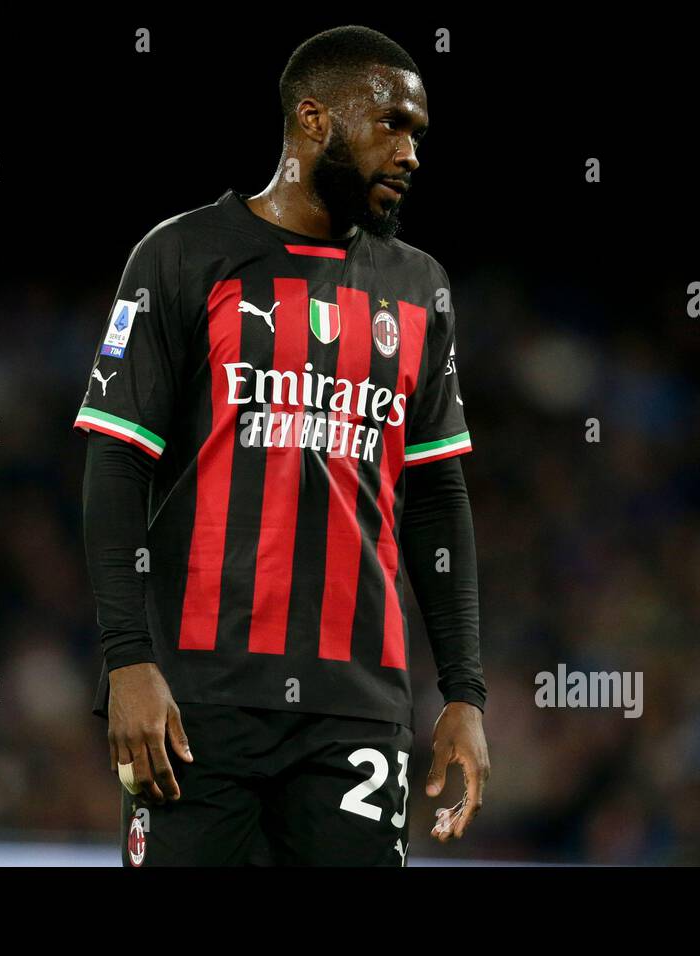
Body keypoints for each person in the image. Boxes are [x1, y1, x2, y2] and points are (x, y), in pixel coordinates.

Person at [75, 25, 488, 866]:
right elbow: (116, 461)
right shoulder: (182, 255)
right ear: (313, 120)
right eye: (391, 125)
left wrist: (464, 693)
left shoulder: (419, 287)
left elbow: (438, 496)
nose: (410, 152)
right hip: (196, 702)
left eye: (419, 134)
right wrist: (127, 662)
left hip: (360, 708)